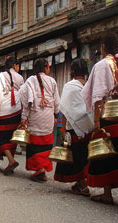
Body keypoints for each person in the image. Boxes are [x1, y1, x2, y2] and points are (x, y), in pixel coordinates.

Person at [82, 33, 118, 205]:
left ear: (103, 47)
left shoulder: (103, 65)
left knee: (106, 155)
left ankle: (107, 194)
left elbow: (97, 96)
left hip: (110, 116)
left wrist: (96, 121)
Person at [54, 58, 93, 196]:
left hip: (74, 128)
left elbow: (63, 109)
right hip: (88, 127)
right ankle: (81, 183)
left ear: (72, 71)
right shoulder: (88, 86)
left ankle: (82, 185)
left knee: (76, 158)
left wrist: (62, 129)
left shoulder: (69, 86)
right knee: (84, 157)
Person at [19, 58, 60, 182]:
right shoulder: (52, 81)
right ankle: (42, 169)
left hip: (35, 116)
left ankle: (39, 169)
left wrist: (23, 118)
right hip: (48, 117)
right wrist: (56, 116)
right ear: (46, 67)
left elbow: (26, 102)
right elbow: (57, 102)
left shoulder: (30, 81)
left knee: (35, 143)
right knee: (46, 143)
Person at [0, 57, 24, 175]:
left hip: (4, 110)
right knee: (12, 137)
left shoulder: (2, 75)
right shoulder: (20, 78)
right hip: (17, 110)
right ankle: (10, 161)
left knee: (1, 138)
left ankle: (11, 161)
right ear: (14, 65)